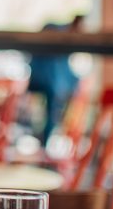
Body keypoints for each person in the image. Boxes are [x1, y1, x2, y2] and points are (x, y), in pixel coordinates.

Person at [26, 15, 84, 143]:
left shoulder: (60, 32)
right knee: (51, 111)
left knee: (54, 110)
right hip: (46, 79)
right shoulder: (56, 31)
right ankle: (44, 141)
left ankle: (46, 141)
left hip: (50, 80)